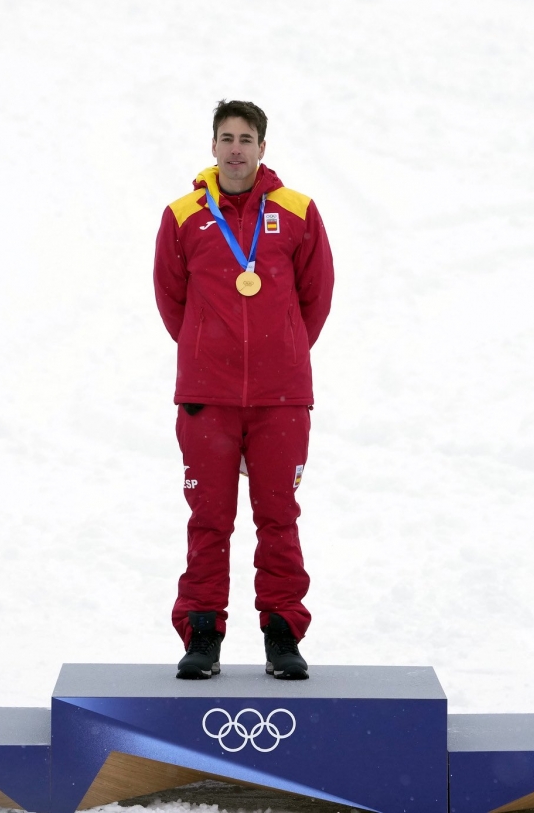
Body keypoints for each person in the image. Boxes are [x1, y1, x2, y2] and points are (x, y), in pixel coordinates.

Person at [153, 100, 334, 680]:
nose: (236, 148)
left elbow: (316, 296)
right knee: (209, 518)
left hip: (282, 397)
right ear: (212, 146)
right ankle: (202, 634)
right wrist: (208, 352)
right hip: (208, 395)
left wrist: (282, 350)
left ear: (262, 147)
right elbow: (171, 299)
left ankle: (283, 634)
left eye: (246, 138)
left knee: (279, 517)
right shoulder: (183, 214)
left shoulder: (298, 211)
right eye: (226, 138)